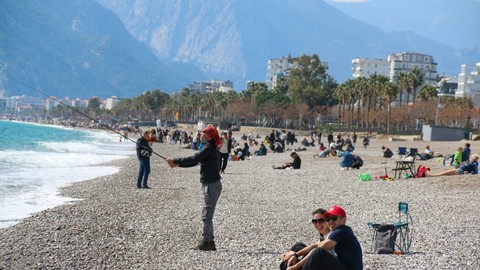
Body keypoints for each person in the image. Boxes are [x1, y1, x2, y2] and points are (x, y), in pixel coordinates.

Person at [166, 125, 222, 251]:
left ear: (208, 136)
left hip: (212, 186)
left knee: (206, 216)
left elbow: (194, 158)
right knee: (208, 215)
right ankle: (209, 241)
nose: (201, 135)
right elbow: (195, 162)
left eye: (203, 133)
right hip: (212, 185)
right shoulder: (210, 148)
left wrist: (175, 160)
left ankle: (207, 242)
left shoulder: (209, 149)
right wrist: (177, 164)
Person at [296, 206, 363, 270]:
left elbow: (319, 247)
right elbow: (317, 245)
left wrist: (296, 264)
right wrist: (294, 254)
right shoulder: (344, 231)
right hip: (343, 266)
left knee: (318, 252)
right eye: (328, 219)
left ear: (343, 220)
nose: (330, 221)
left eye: (334, 218)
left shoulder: (341, 231)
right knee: (298, 247)